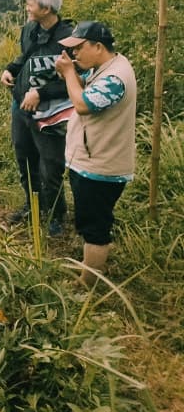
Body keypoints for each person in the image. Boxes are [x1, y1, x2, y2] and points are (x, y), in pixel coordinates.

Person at [54, 21, 137, 286]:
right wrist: (71, 74)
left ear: (98, 46)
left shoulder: (115, 78)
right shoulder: (105, 68)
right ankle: (91, 270)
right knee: (90, 222)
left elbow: (83, 104)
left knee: (94, 229)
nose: (75, 54)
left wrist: (69, 74)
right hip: (92, 160)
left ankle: (87, 285)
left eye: (79, 48)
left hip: (102, 166)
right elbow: (87, 92)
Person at [1, 0, 73, 235]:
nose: (26, 8)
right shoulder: (30, 29)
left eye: (30, 4)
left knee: (51, 164)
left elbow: (77, 79)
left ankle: (56, 214)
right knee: (25, 158)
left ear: (45, 8)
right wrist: (10, 68)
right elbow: (26, 57)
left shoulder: (69, 38)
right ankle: (33, 205)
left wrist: (41, 93)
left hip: (51, 112)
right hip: (21, 107)